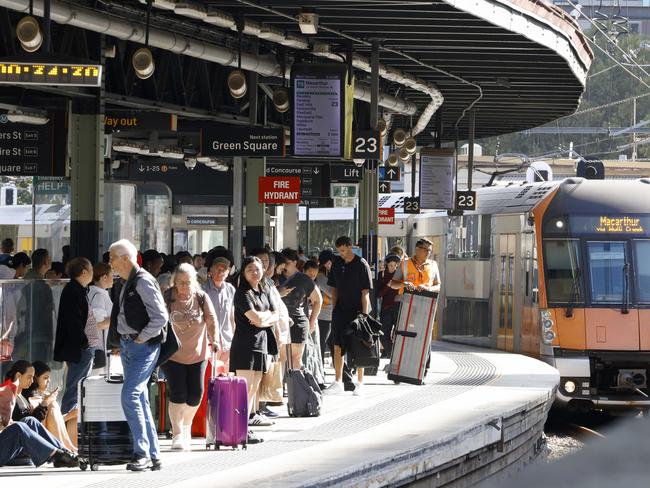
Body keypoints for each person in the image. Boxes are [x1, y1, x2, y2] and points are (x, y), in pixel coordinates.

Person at [106, 239, 168, 472]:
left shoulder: (142, 281)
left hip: (142, 347)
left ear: (125, 258)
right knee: (138, 398)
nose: (109, 262)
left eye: (112, 257)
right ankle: (153, 455)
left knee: (130, 395)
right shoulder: (125, 281)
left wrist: (141, 337)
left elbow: (161, 317)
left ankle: (141, 453)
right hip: (130, 345)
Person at [162, 263, 217, 451]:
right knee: (178, 393)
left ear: (194, 281)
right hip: (173, 354)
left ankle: (186, 425)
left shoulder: (201, 297)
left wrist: (215, 339)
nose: (185, 286)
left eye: (188, 282)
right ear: (174, 282)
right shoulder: (168, 297)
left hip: (198, 353)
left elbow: (211, 320)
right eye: (181, 282)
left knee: (195, 394)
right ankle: (177, 433)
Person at [230, 256, 279, 442]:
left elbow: (275, 315)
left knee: (253, 390)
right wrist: (263, 319)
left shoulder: (264, 290)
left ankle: (245, 428)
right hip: (245, 345)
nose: (254, 272)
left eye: (257, 269)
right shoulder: (242, 293)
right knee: (245, 389)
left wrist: (263, 318)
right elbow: (255, 319)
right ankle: (240, 429)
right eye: (250, 269)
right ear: (243, 272)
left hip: (262, 344)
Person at [324, 236, 373, 397]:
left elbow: (365, 293)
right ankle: (338, 381)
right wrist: (334, 308)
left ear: (350, 247)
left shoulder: (361, 264)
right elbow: (334, 289)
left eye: (343, 250)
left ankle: (360, 382)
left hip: (358, 311)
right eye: (339, 251)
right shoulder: (337, 263)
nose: (341, 254)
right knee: (337, 345)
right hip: (340, 310)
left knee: (359, 345)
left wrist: (364, 317)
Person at [54, 257, 98, 417]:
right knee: (75, 387)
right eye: (91, 269)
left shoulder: (78, 289)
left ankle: (71, 422)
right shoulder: (73, 290)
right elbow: (74, 321)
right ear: (84, 271)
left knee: (78, 386)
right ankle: (66, 422)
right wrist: (84, 343)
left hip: (82, 347)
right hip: (80, 349)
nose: (93, 273)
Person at [278, 249, 322, 370]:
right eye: (282, 263)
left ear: (295, 262)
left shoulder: (304, 279)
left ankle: (298, 388)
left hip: (298, 322)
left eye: (287, 263)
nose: (284, 266)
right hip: (279, 323)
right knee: (281, 359)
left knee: (295, 360)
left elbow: (318, 300)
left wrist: (312, 322)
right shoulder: (276, 276)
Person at [21, 361, 77, 453]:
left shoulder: (45, 396)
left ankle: (70, 447)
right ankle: (65, 448)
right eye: (45, 378)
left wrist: (71, 415)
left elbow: (52, 422)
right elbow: (37, 422)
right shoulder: (29, 398)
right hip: (38, 437)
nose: (49, 381)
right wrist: (46, 402)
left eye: (49, 378)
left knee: (75, 416)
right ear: (35, 379)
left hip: (48, 433)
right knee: (53, 405)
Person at [20, 249, 54, 362]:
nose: (51, 261)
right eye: (49, 259)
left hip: (28, 334)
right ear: (45, 262)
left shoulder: (26, 281)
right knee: (39, 368)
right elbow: (46, 311)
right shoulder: (41, 286)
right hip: (40, 335)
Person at [204, 255, 236, 373]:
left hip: (227, 341)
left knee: (225, 377)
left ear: (228, 273)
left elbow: (232, 316)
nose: (221, 272)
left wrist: (235, 338)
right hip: (209, 342)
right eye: (218, 268)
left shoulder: (230, 289)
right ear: (210, 270)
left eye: (224, 269)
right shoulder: (203, 290)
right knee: (210, 376)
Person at [88, 262, 114, 375]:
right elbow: (98, 323)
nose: (114, 279)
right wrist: (119, 318)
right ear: (104, 277)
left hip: (100, 348)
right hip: (98, 348)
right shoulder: (98, 295)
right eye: (112, 276)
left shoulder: (97, 293)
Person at [377, 254, 401, 358]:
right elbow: (378, 294)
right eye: (391, 265)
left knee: (399, 335)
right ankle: (393, 356)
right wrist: (388, 286)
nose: (393, 268)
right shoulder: (381, 275)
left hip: (398, 308)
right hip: (386, 309)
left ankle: (396, 358)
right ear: (387, 264)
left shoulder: (399, 275)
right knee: (383, 336)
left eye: (395, 265)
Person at [316, 250, 335, 365]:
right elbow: (330, 291)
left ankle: (342, 369)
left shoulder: (336, 271)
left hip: (334, 312)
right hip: (325, 313)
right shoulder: (321, 276)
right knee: (323, 342)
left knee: (333, 342)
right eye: (325, 264)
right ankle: (320, 366)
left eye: (328, 263)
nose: (327, 266)